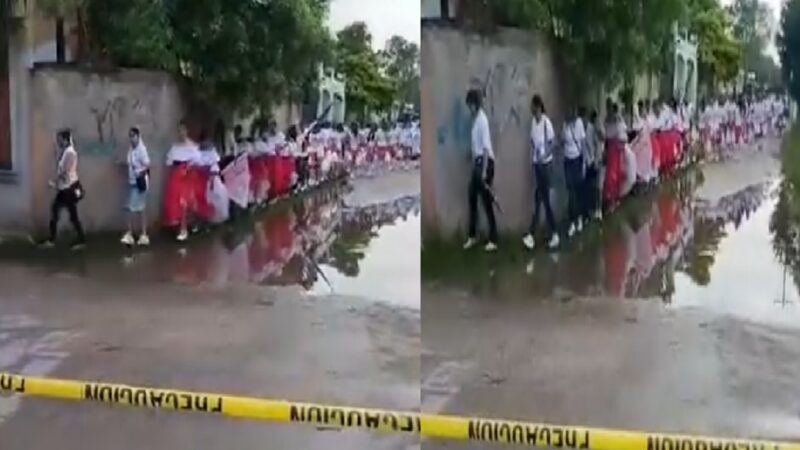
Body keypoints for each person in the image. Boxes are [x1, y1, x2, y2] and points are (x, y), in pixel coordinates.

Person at [463, 89, 498, 252]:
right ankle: (473, 236)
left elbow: (485, 148)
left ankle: (494, 239)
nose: (469, 108)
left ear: (475, 104)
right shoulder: (476, 120)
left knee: (486, 201)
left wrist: (483, 171)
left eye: (470, 105)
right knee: (472, 197)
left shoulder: (482, 120)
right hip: (478, 163)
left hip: (486, 163)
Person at [523, 94, 559, 250]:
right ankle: (533, 234)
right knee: (539, 199)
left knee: (543, 199)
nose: (531, 108)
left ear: (538, 107)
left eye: (533, 106)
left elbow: (553, 143)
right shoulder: (533, 123)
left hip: (546, 166)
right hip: (538, 165)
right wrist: (532, 160)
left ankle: (551, 233)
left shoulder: (546, 122)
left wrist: (545, 155)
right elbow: (533, 143)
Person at [42, 129, 86, 249]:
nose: (58, 142)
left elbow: (66, 172)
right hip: (65, 188)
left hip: (68, 189)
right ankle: (79, 239)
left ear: (66, 140)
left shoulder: (70, 153)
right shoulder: (66, 152)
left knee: (62, 212)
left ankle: (54, 240)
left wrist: (54, 184)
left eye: (60, 139)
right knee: (64, 213)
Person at [164, 120, 201, 241]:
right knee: (175, 203)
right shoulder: (175, 147)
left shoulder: (192, 146)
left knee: (184, 202)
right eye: (179, 130)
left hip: (187, 176)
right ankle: (183, 225)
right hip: (176, 176)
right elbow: (169, 161)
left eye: (183, 130)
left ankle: (184, 229)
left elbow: (197, 160)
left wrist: (188, 167)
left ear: (187, 131)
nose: (180, 133)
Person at [121, 127, 151, 246]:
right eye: (130, 136)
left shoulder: (141, 150)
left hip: (139, 183)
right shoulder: (131, 150)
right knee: (140, 209)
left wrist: (140, 172)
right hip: (132, 181)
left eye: (133, 136)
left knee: (131, 208)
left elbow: (147, 164)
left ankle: (130, 234)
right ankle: (143, 234)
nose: (132, 138)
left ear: (138, 136)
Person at [562, 106, 586, 237]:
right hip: (567, 161)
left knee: (577, 191)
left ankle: (579, 218)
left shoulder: (579, 123)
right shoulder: (565, 124)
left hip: (577, 160)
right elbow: (562, 140)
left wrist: (583, 163)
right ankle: (572, 222)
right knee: (570, 191)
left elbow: (582, 144)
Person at [603, 101, 627, 211]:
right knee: (610, 176)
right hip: (610, 150)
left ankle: (614, 199)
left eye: (611, 110)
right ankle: (610, 199)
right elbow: (605, 137)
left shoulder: (619, 121)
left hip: (616, 151)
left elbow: (623, 137)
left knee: (615, 175)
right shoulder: (606, 121)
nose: (610, 112)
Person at [582, 109, 604, 221]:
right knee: (590, 188)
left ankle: (598, 209)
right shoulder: (585, 129)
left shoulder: (594, 129)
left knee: (596, 187)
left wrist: (596, 160)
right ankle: (592, 210)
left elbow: (600, 143)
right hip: (588, 162)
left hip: (595, 162)